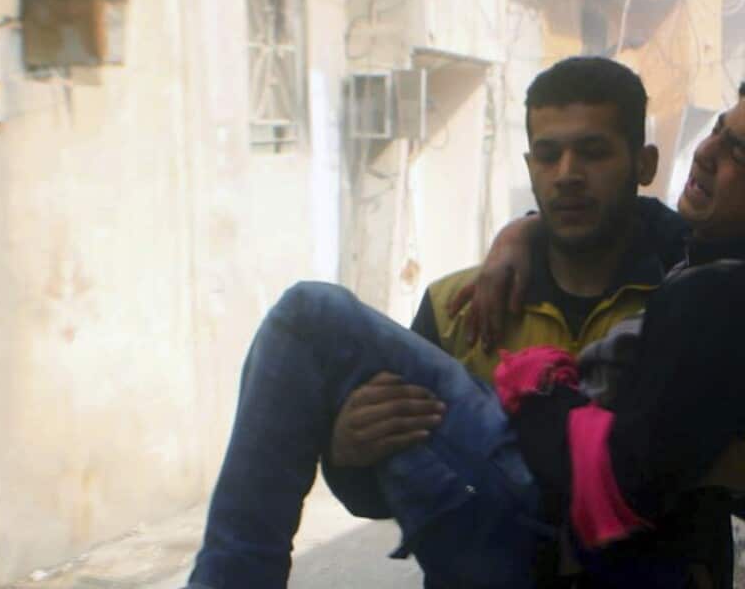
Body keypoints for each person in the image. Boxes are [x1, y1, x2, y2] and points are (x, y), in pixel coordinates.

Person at [185, 59, 745, 588]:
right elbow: (384, 496)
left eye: (593, 153)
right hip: (493, 561)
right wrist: (348, 452)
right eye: (548, 156)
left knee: (307, 317)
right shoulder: (459, 304)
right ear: (529, 167)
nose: (567, 175)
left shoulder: (684, 290)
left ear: (643, 165)